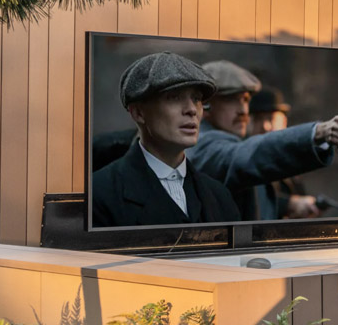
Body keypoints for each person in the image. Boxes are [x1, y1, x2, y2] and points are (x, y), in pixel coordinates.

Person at [190, 59, 338, 220]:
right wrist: (316, 133)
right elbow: (246, 157)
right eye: (231, 99)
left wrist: (287, 205)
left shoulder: (228, 140)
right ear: (205, 104)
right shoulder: (201, 144)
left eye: (245, 99)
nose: (243, 110)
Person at [90, 53, 243, 227]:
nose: (192, 110)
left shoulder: (220, 196)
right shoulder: (99, 193)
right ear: (138, 113)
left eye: (196, 99)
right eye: (174, 97)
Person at [249, 87, 321, 219]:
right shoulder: (246, 161)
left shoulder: (290, 160)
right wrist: (289, 204)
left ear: (284, 122)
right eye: (258, 119)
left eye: (271, 118)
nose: (265, 126)